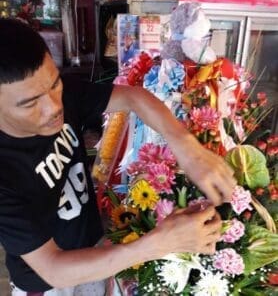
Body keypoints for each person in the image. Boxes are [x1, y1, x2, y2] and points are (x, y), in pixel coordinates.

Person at [0, 19, 236, 295]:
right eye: (30, 103)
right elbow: (52, 267)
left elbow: (133, 97)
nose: (53, 107)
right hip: (47, 284)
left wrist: (187, 147)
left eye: (54, 85)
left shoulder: (63, 94)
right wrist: (161, 242)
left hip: (95, 245)